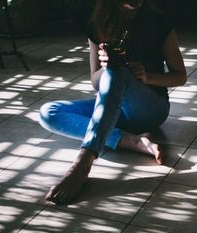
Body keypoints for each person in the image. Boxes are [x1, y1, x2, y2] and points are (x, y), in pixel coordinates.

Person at [38, 0, 187, 204]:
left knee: (118, 73)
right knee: (49, 112)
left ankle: (83, 163)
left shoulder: (158, 22)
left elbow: (180, 76)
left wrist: (146, 77)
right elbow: (95, 81)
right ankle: (132, 141)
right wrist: (105, 67)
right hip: (116, 108)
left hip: (150, 109)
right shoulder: (98, 24)